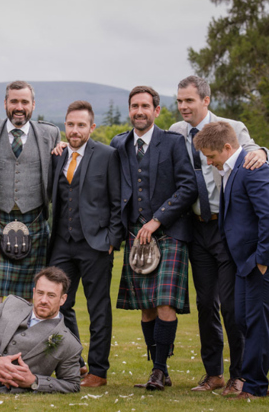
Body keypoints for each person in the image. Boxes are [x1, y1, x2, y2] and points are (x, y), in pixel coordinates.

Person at [169, 75, 269, 395]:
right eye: (179, 101)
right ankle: (212, 373)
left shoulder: (232, 126)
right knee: (205, 304)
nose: (183, 106)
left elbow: (256, 154)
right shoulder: (176, 132)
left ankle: (238, 375)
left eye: (189, 100)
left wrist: (266, 153)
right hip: (197, 227)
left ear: (206, 100)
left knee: (230, 305)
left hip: (226, 228)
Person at [193, 121, 269, 400]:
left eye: (211, 156)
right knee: (244, 320)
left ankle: (254, 387)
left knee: (255, 323)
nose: (209, 162)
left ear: (228, 147)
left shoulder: (254, 169)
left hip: (265, 260)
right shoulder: (232, 168)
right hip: (244, 260)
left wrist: (263, 260)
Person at [110, 85, 197, 391]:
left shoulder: (173, 143)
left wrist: (158, 219)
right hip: (135, 235)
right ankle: (159, 366)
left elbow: (188, 187)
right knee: (146, 306)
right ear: (129, 110)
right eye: (134, 106)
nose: (139, 111)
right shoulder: (118, 144)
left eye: (145, 106)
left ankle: (158, 371)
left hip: (170, 233)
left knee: (164, 304)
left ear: (157, 111)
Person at [0, 80, 60, 317]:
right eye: (14, 101)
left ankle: (23, 348)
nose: (19, 107)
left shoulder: (50, 134)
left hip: (35, 220)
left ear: (33, 104)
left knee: (32, 294)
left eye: (24, 102)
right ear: (5, 103)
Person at [47, 101, 122, 387]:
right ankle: (74, 361)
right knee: (59, 306)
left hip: (96, 244)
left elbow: (117, 201)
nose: (75, 129)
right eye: (70, 124)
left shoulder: (107, 155)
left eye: (81, 125)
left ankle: (99, 371)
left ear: (91, 127)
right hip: (62, 244)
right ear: (65, 126)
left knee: (98, 308)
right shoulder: (58, 155)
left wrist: (112, 240)